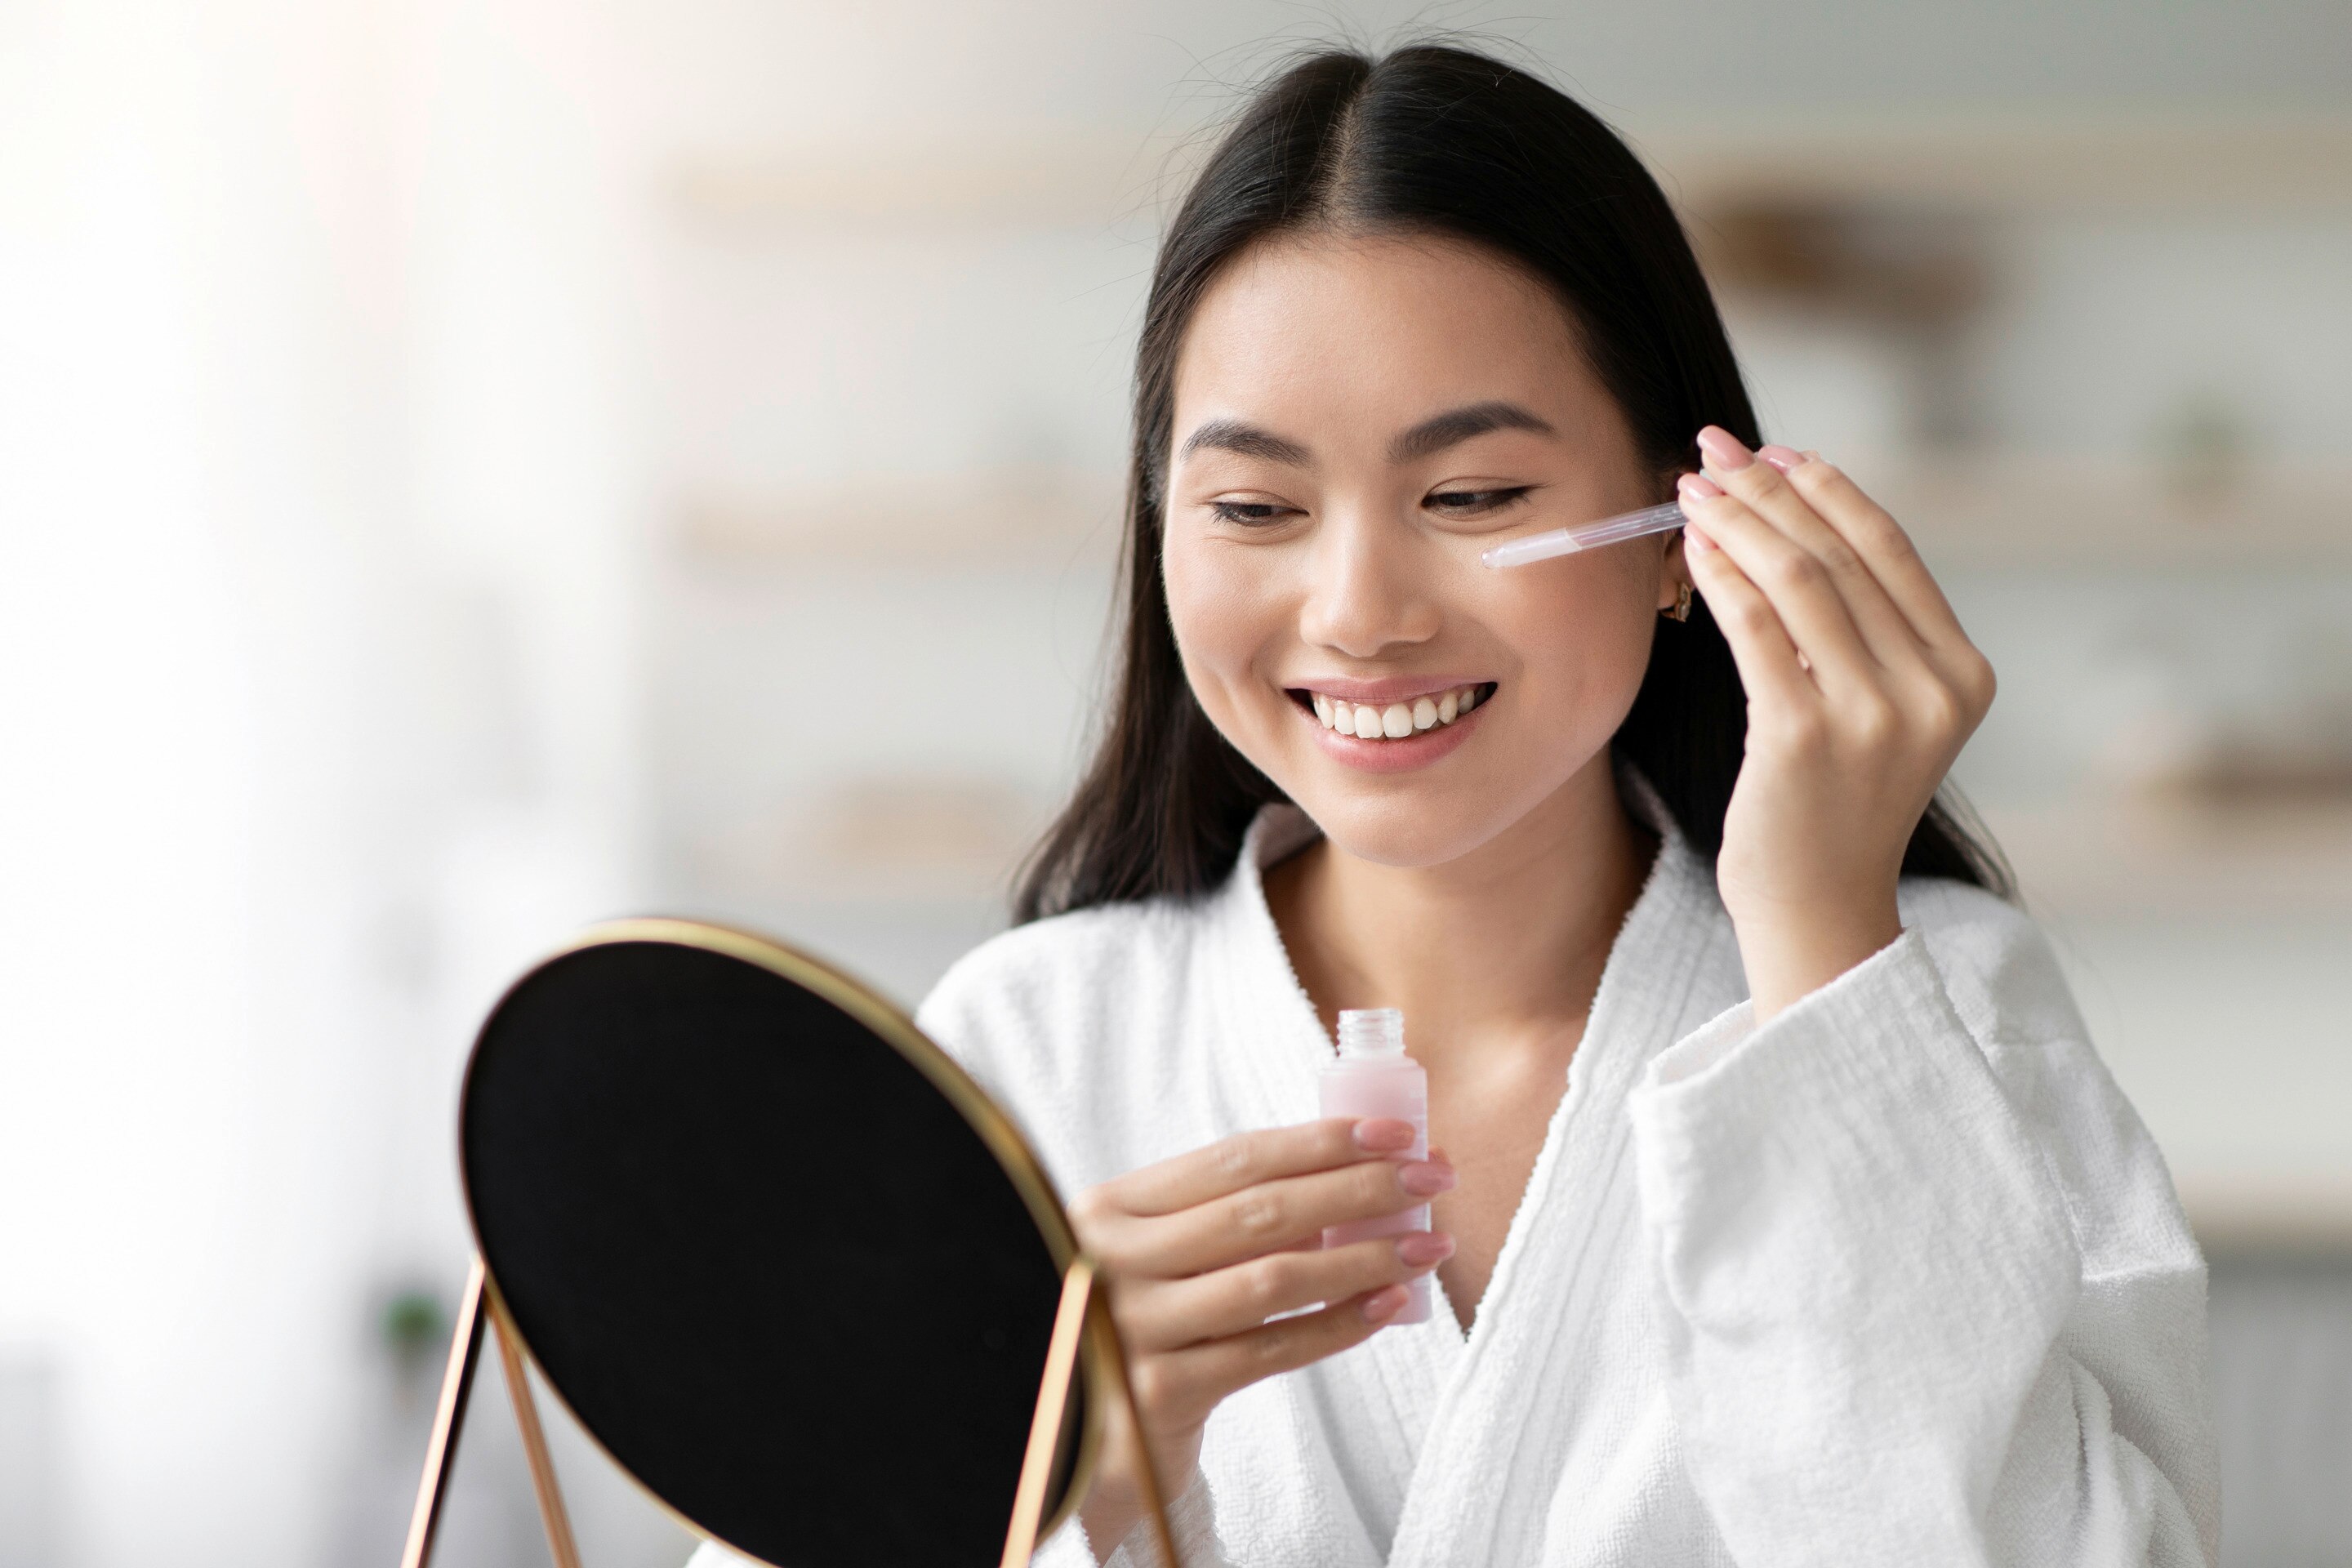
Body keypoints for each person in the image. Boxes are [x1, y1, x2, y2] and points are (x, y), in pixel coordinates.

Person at [844, 42, 2215, 1568]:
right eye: (1254, 508)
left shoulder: (1942, 1000)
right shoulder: (1027, 1051)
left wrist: (1825, 950)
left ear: (1683, 530)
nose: (1359, 613)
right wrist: (1071, 1491)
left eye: (1475, 496)